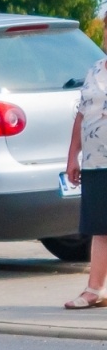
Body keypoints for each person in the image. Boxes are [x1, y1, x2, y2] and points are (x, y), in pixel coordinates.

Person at [64, 51, 107, 307]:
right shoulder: (95, 70)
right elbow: (81, 115)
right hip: (95, 163)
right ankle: (95, 290)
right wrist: (73, 156)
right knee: (100, 227)